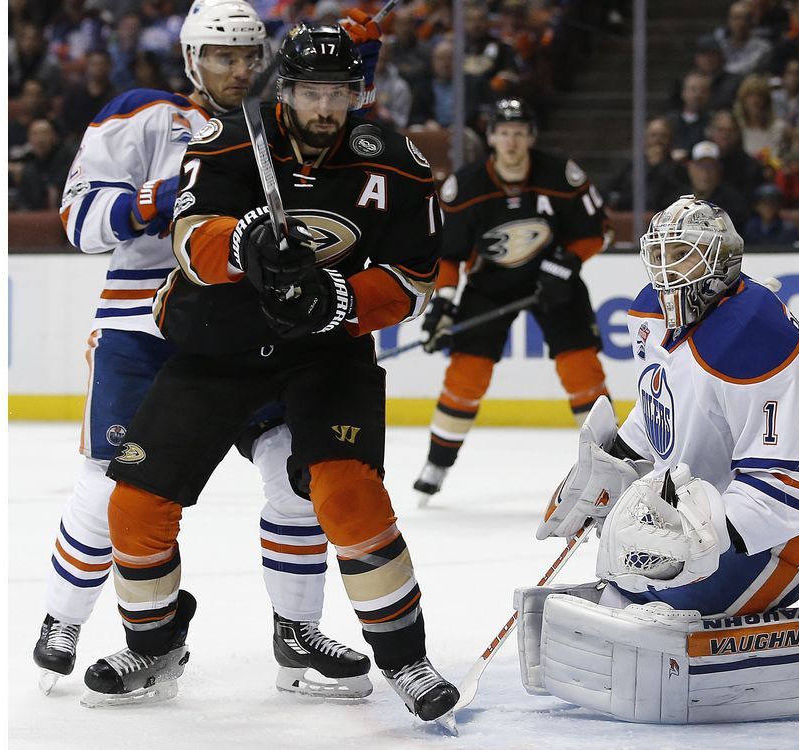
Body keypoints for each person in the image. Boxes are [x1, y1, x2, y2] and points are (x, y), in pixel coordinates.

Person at [79, 23, 459, 725]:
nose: (324, 107)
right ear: (285, 91)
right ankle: (155, 646)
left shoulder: (396, 165)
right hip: (217, 342)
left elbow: (412, 279)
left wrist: (339, 298)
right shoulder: (226, 140)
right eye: (312, 92)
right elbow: (192, 245)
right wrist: (248, 243)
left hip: (324, 349)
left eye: (338, 93)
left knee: (348, 496)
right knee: (132, 505)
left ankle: (405, 657)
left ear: (357, 93)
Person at [35, 2, 383, 703]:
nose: (238, 69)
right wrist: (167, 197)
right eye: (223, 56)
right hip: (141, 330)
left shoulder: (268, 130)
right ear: (192, 58)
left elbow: (342, 127)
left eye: (250, 57)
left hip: (242, 333)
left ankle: (298, 635)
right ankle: (69, 620)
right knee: (111, 488)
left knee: (294, 475)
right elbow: (78, 219)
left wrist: (359, 44)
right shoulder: (144, 113)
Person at [513, 194, 799, 727]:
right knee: (627, 579)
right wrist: (613, 464)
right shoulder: (654, 314)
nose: (666, 271)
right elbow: (666, 405)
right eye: (659, 255)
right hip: (715, 508)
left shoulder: (755, 337)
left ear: (723, 261)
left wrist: (704, 539)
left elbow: (791, 485)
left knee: (662, 602)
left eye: (683, 255)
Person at [412, 98, 612, 505]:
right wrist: (444, 303)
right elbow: (448, 255)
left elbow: (599, 231)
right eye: (504, 132)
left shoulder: (561, 174)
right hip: (490, 287)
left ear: (531, 137)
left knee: (582, 369)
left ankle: (610, 464)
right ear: (491, 138)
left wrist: (567, 261)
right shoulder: (464, 187)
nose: (512, 141)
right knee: (466, 374)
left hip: (553, 280)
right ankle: (437, 461)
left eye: (519, 132)